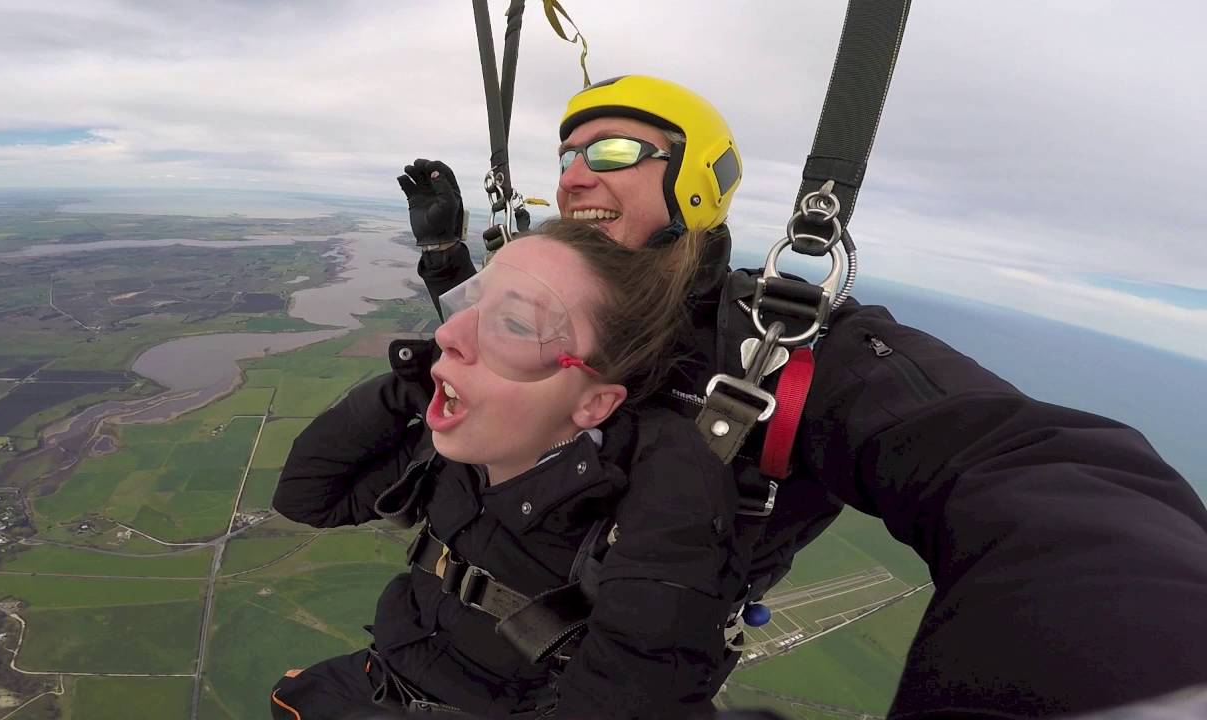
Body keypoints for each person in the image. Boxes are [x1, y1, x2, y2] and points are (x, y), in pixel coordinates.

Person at [386, 75, 1207, 718]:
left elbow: (1018, 465)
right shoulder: (561, 301)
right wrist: (445, 262)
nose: (571, 178)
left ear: (696, 180)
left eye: (608, 154)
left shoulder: (786, 348)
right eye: (566, 157)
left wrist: (1136, 669)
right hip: (404, 651)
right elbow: (495, 353)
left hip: (579, 691)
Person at [271, 220, 746, 719]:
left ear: (595, 404)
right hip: (372, 683)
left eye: (516, 324)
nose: (446, 333)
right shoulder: (460, 456)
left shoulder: (638, 517)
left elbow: (638, 689)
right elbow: (306, 497)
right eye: (472, 307)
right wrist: (408, 386)